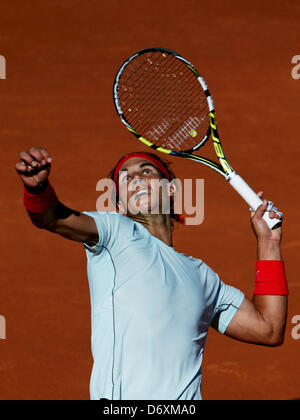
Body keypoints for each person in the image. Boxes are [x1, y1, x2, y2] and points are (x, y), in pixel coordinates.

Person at [16, 147, 288, 400]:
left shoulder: (202, 277)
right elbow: (52, 218)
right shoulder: (115, 233)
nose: (135, 178)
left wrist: (269, 243)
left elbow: (268, 329)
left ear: (171, 190)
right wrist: (38, 188)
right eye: (125, 177)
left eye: (146, 171)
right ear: (119, 205)